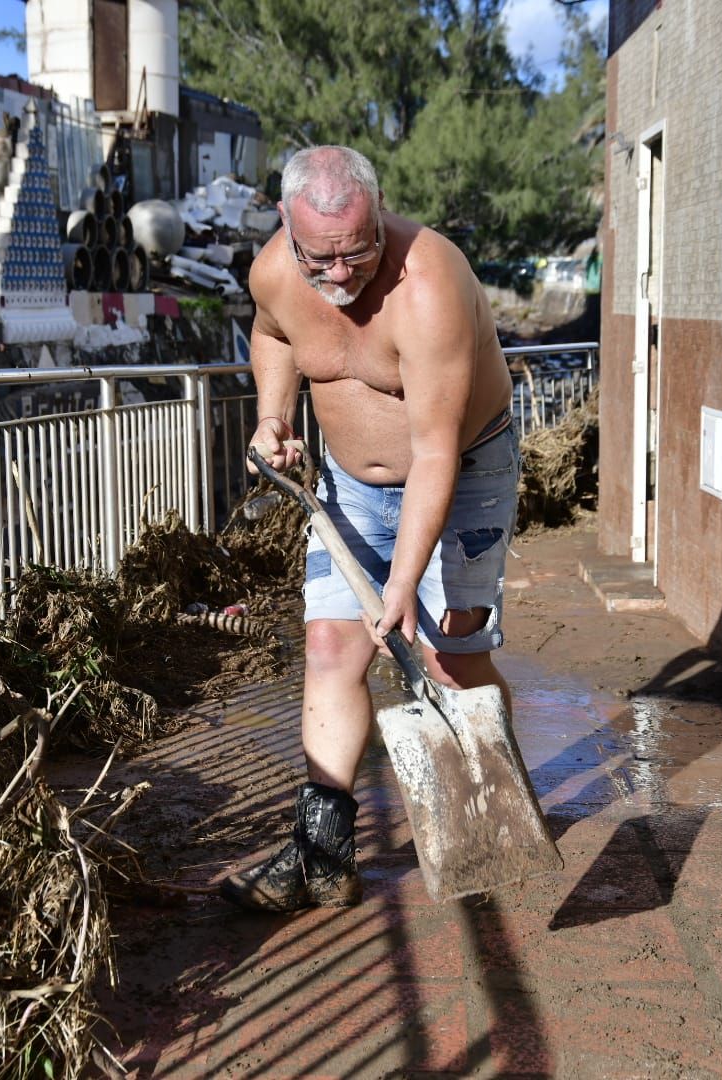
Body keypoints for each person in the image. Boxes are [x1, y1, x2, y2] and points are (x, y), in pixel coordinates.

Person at [220, 145, 520, 912]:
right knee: (330, 645)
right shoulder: (275, 274)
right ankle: (321, 854)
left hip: (464, 474)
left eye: (357, 253)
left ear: (380, 215)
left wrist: (401, 582)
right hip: (349, 485)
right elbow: (274, 335)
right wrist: (273, 417)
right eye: (320, 258)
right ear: (287, 228)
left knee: (448, 656)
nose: (341, 275)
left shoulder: (429, 285)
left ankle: (491, 813)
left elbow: (434, 451)